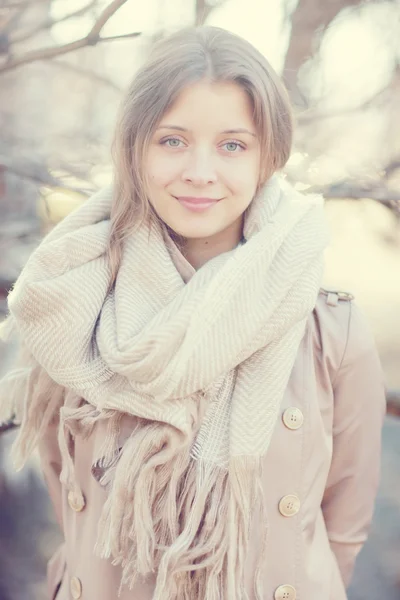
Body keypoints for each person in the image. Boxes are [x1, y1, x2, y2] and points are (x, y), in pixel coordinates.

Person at [0, 26, 385, 600]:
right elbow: (68, 493)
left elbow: (345, 526)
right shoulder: (74, 308)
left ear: (267, 156)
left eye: (233, 145)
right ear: (135, 148)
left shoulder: (330, 330)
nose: (200, 171)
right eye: (172, 140)